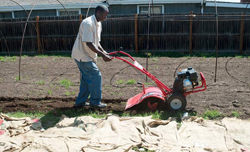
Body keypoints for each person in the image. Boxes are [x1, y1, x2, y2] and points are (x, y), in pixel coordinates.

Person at [71, 5, 112, 108]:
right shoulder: (88, 23)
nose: (105, 18)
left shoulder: (98, 24)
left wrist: (104, 52)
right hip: (82, 55)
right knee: (95, 76)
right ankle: (95, 102)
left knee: (86, 79)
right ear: (98, 12)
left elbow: (96, 42)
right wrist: (103, 55)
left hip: (87, 55)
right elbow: (89, 43)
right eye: (105, 15)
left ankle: (80, 103)